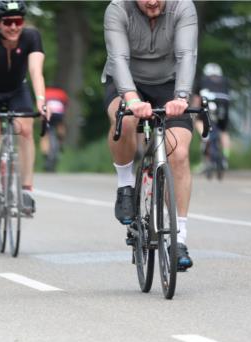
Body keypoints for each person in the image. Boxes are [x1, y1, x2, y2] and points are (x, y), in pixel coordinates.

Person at [104, 0, 198, 271]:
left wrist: (181, 97)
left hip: (170, 84)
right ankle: (125, 185)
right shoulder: (117, 9)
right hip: (126, 83)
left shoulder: (183, 7)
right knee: (125, 117)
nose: (153, 1)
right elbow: (118, 59)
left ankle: (179, 238)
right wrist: (132, 99)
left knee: (178, 152)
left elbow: (187, 55)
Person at [0, 0, 51, 219]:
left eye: (18, 21)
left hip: (18, 90)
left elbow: (36, 72)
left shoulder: (31, 37)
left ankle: (26, 191)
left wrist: (42, 102)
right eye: (8, 22)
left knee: (26, 130)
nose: (14, 27)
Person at [198, 62, 231, 160]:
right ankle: (225, 156)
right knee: (224, 131)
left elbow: (197, 98)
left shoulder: (203, 80)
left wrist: (195, 111)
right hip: (223, 105)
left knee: (199, 121)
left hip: (208, 103)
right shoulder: (225, 80)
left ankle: (205, 137)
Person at [41, 86, 68, 171]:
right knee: (61, 124)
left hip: (48, 112)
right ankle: (61, 142)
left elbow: (42, 105)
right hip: (58, 113)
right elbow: (65, 106)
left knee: (45, 134)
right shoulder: (62, 93)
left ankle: (46, 154)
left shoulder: (45, 92)